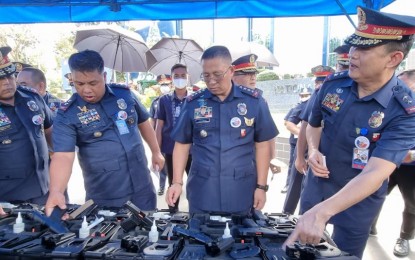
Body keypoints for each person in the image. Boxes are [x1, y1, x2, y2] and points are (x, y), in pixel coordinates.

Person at [284, 7, 415, 259]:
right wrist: (312, 150)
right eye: (354, 46)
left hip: (358, 201)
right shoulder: (334, 84)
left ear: (394, 58)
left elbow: (378, 171)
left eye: (364, 49)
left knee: (343, 256)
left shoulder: (404, 109)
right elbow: (313, 123)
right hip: (317, 188)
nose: (353, 54)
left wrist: (323, 213)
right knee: (304, 252)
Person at [44, 50, 164, 214]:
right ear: (72, 79)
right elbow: (63, 156)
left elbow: (143, 121)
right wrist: (57, 190)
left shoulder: (125, 95)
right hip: (105, 194)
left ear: (104, 77)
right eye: (79, 84)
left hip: (142, 186)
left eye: (93, 83)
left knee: (147, 232)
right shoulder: (67, 114)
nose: (86, 90)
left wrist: (156, 151)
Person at [166, 46, 278, 214]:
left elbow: (262, 145)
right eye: (206, 75)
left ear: (231, 70)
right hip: (203, 190)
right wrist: (176, 182)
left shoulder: (254, 102)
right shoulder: (193, 103)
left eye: (217, 75)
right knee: (199, 236)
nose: (211, 81)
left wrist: (261, 186)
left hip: (241, 190)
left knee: (241, 237)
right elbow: (182, 144)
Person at [369, 66, 415, 257]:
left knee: (412, 204)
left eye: (403, 83)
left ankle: (404, 237)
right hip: (385, 161)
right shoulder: (389, 103)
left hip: (410, 167)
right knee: (371, 193)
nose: (398, 88)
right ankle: (368, 226)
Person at [0, 46, 53, 206]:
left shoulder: (33, 97)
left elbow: (50, 132)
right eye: (0, 79)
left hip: (45, 189)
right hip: (8, 197)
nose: (7, 83)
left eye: (9, 76)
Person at [156, 64, 192, 212]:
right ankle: (173, 214)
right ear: (171, 78)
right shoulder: (164, 101)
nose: (180, 79)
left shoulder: (195, 99)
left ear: (188, 77)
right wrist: (156, 152)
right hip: (170, 149)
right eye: (176, 76)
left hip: (192, 150)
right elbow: (159, 127)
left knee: (194, 183)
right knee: (173, 183)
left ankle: (196, 214)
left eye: (183, 76)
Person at [281, 86, 313, 213]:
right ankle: (287, 213)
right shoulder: (306, 104)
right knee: (296, 180)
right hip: (303, 147)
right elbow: (289, 123)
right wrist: (305, 135)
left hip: (325, 149)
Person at [149, 74, 171, 196]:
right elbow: (152, 120)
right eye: (162, 85)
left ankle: (174, 185)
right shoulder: (155, 102)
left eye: (166, 84)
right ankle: (162, 186)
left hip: (173, 138)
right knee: (162, 164)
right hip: (160, 137)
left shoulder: (175, 100)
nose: (164, 87)